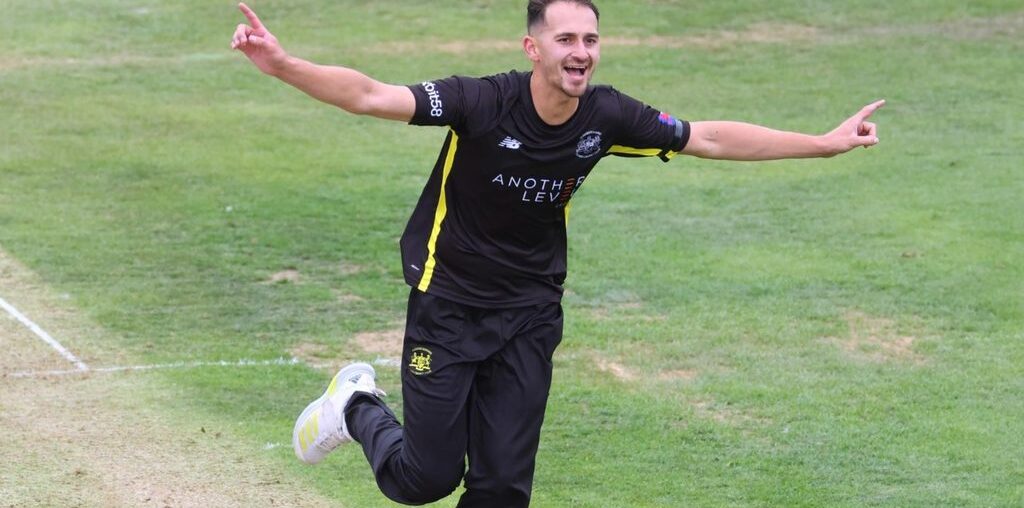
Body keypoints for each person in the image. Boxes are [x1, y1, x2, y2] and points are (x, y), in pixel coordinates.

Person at [232, 1, 883, 506]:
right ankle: (354, 406)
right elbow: (373, 95)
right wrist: (284, 65)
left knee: (503, 491)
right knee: (425, 479)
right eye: (567, 39)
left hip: (530, 313)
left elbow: (706, 137)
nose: (582, 53)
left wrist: (824, 143)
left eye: (591, 40)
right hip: (449, 305)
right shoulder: (482, 102)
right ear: (533, 46)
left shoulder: (606, 117)